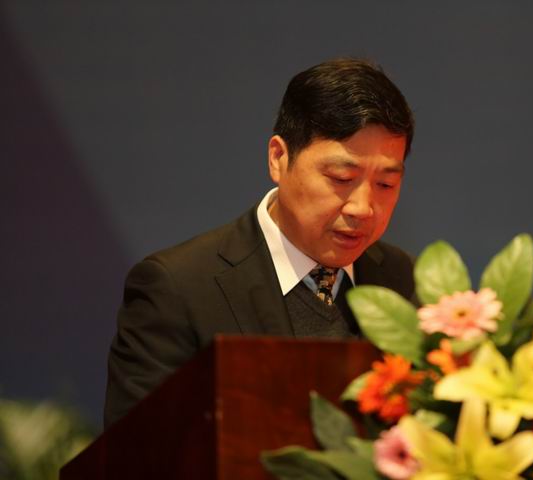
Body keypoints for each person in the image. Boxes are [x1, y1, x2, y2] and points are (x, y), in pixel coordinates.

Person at [103, 58, 416, 428]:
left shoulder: (408, 284)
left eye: (385, 184)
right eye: (341, 177)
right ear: (278, 158)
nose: (363, 208)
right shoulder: (178, 290)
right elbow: (138, 451)